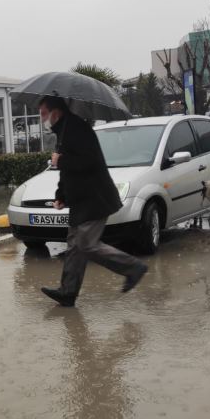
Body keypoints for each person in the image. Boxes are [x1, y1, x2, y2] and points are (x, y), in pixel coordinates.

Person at [39, 96, 148, 307]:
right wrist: (60, 196)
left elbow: (89, 161)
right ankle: (68, 292)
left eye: (43, 113)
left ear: (56, 112)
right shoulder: (64, 130)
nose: (41, 118)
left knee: (86, 244)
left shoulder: (77, 129)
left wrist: (60, 160)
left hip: (94, 198)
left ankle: (133, 268)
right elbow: (67, 172)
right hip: (80, 200)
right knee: (74, 245)